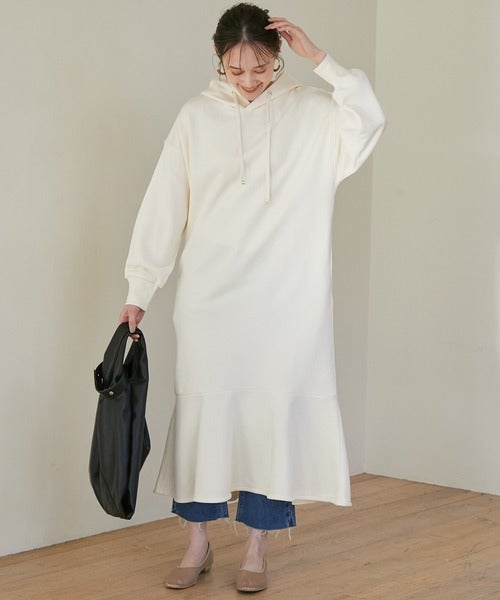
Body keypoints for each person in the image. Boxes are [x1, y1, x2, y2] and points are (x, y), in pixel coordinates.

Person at [119, 2, 385, 593]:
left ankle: (258, 546)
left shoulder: (314, 113)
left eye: (261, 67)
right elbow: (164, 204)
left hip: (288, 300)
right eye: (235, 69)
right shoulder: (195, 117)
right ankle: (197, 542)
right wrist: (141, 287)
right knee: (203, 417)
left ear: (279, 56)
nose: (249, 80)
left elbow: (369, 119)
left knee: (271, 418)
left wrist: (323, 59)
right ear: (219, 61)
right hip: (210, 298)